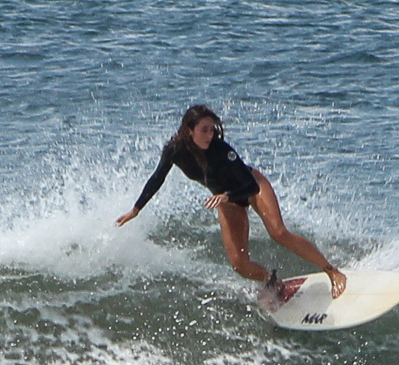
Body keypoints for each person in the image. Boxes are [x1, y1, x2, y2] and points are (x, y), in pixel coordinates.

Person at [116, 105, 347, 299]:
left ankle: (331, 271)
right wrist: (136, 210)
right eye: (204, 130)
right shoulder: (174, 150)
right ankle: (273, 282)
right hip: (227, 201)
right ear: (189, 131)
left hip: (249, 187)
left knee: (278, 232)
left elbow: (250, 185)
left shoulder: (221, 149)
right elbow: (157, 178)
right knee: (239, 263)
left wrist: (227, 195)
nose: (209, 135)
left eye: (212, 130)